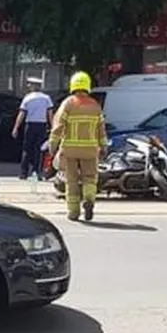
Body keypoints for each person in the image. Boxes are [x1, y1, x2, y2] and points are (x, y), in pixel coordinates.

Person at [50, 71, 108, 221]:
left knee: (72, 180)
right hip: (90, 150)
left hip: (70, 150)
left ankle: (73, 212)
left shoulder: (69, 103)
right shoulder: (95, 106)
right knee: (90, 178)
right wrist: (104, 146)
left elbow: (58, 126)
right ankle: (89, 199)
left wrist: (53, 144)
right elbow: (101, 129)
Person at [12, 77, 53, 180]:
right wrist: (53, 127)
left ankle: (23, 173)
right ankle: (37, 172)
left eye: (30, 84)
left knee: (27, 149)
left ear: (34, 86)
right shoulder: (46, 98)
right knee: (39, 149)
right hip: (42, 126)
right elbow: (50, 114)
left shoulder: (27, 98)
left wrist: (16, 128)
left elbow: (21, 114)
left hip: (30, 125)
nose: (28, 86)